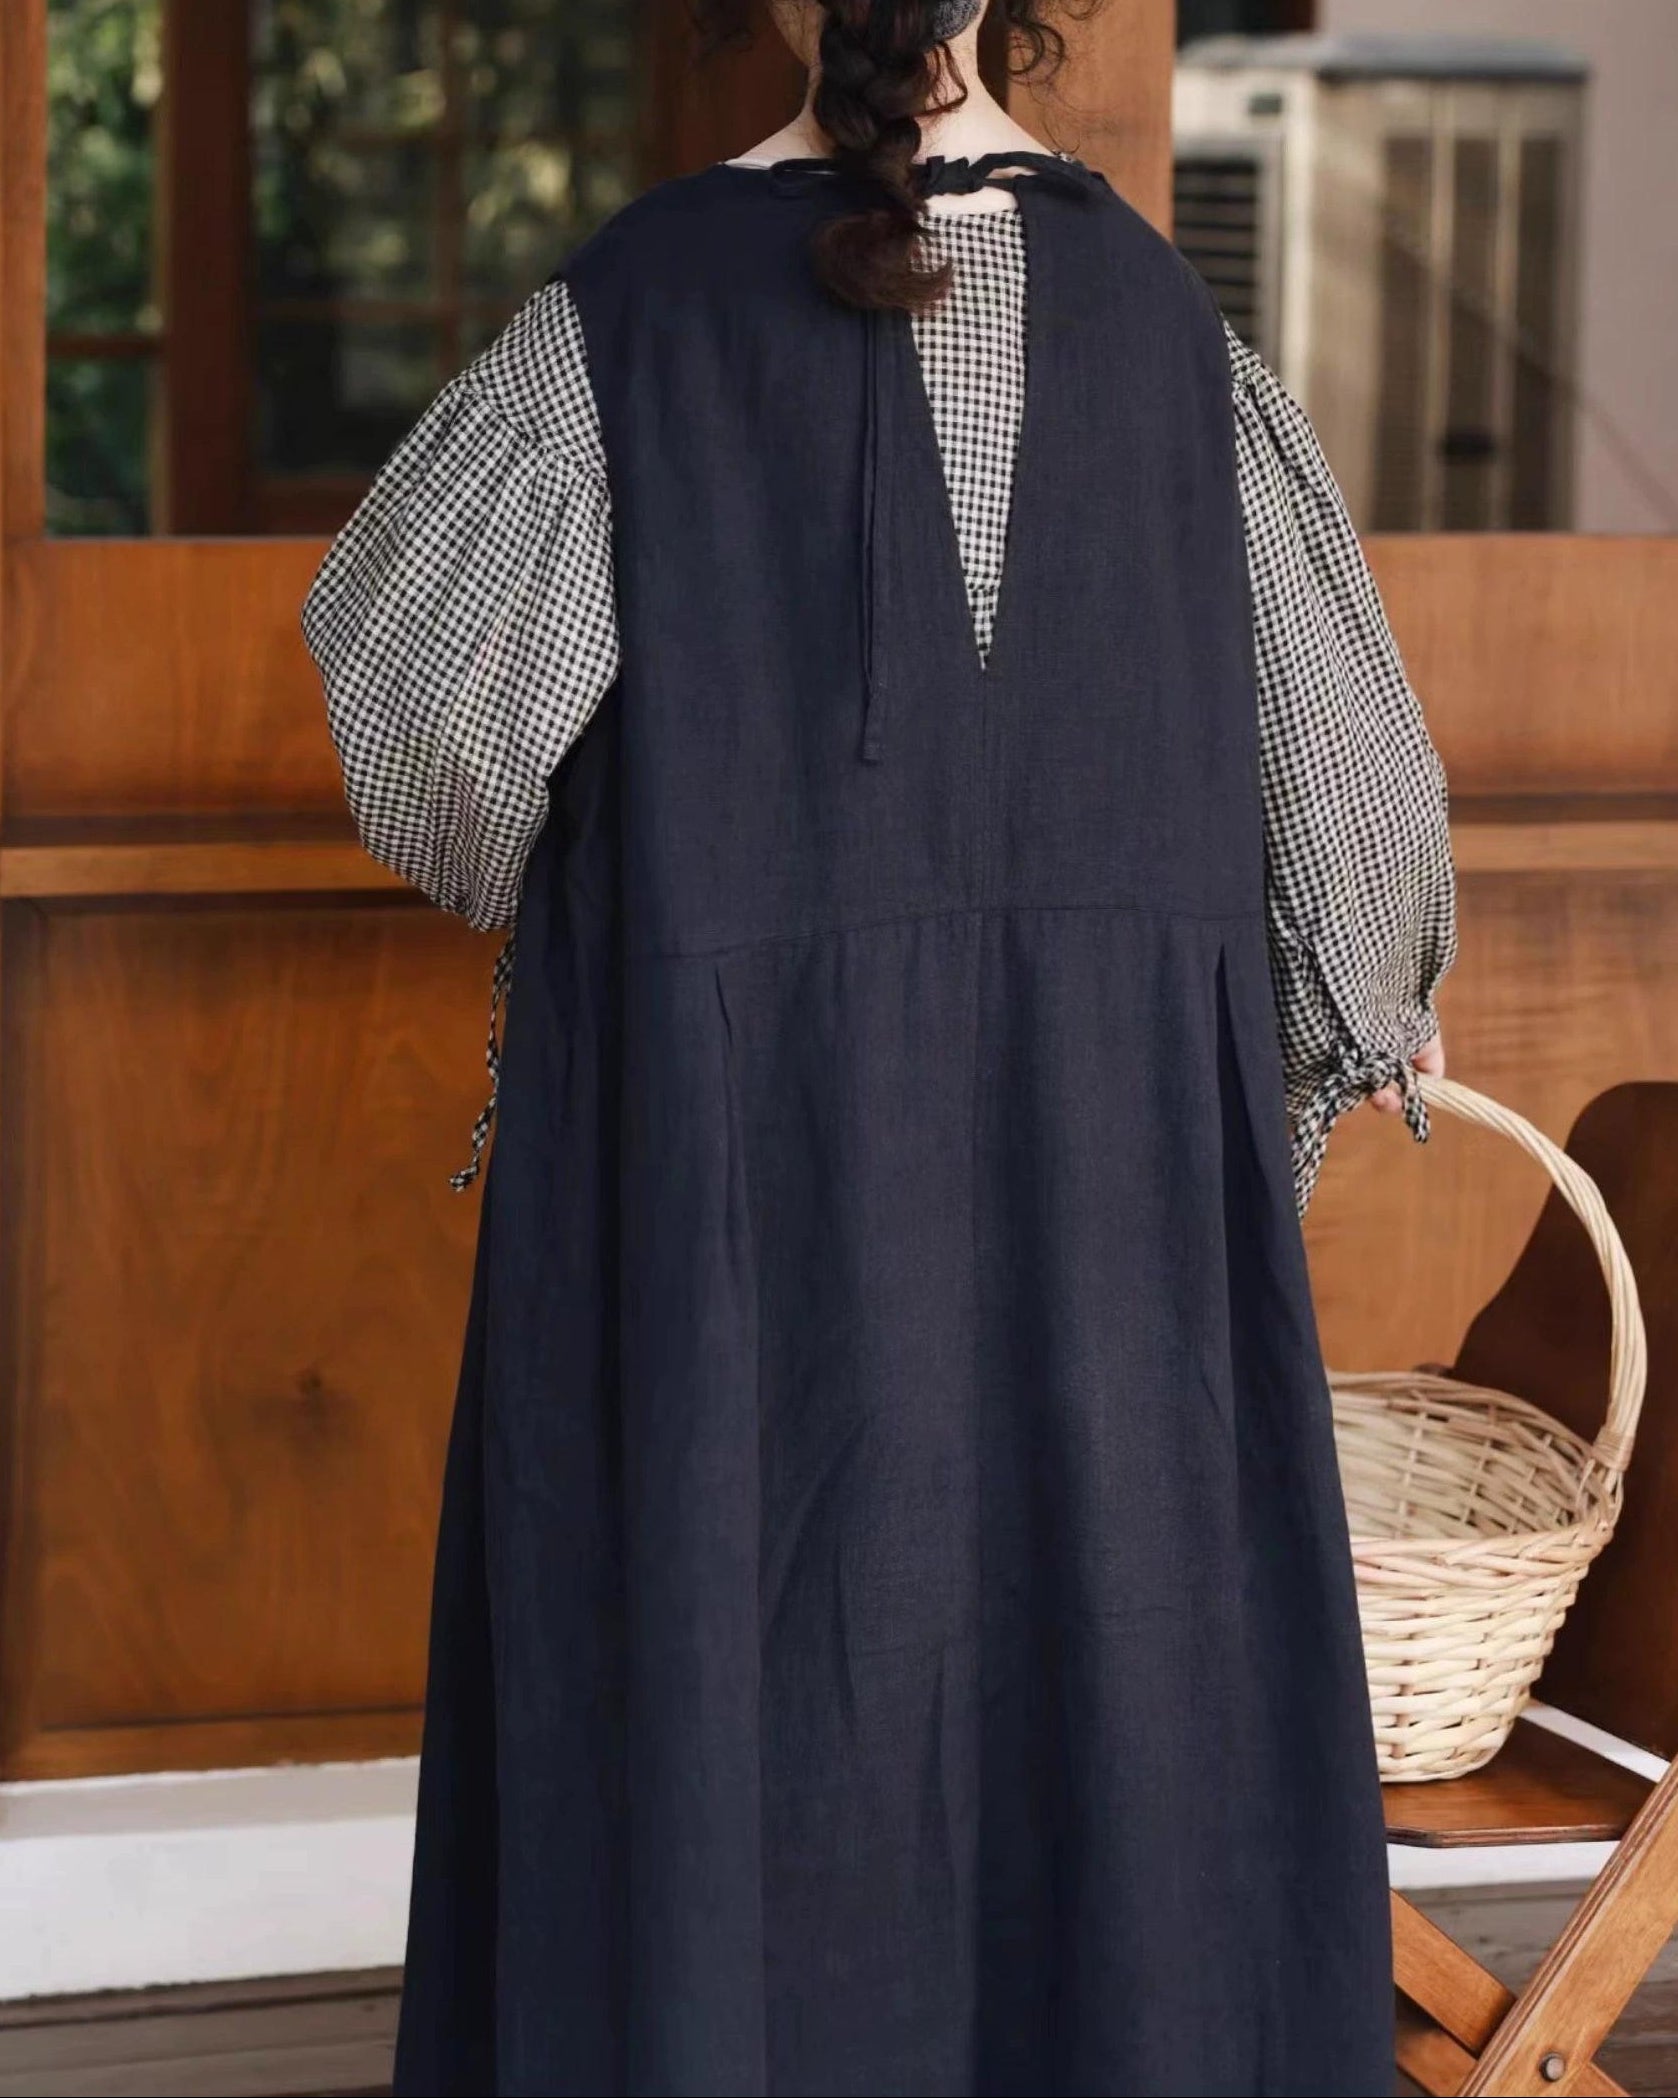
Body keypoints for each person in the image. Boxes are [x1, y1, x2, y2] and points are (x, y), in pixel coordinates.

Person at [304, 1, 1454, 2090]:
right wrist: (1321, 1018)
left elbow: (432, 748)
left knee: (731, 1683)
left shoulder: (621, 325)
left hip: (730, 1182)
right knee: (1114, 1683)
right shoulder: (1173, 337)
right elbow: (1354, 836)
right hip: (1110, 1188)